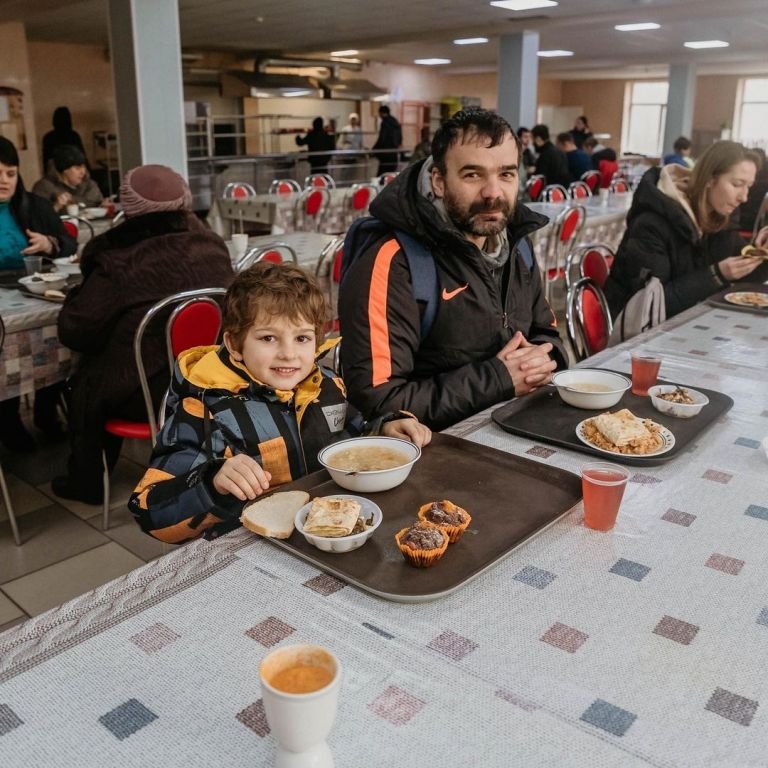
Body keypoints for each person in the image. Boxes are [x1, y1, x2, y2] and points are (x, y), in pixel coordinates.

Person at [129, 261, 431, 543]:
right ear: (234, 344)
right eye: (268, 338)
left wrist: (387, 426)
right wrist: (211, 482)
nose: (288, 354)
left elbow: (356, 435)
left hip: (328, 535)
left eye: (301, 338)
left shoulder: (325, 385)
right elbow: (148, 511)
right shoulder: (205, 408)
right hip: (248, 550)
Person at [338, 108, 567, 432]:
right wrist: (499, 379)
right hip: (436, 452)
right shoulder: (394, 261)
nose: (493, 192)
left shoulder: (518, 246)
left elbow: (547, 335)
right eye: (472, 175)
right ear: (439, 181)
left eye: (506, 174)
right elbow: (378, 400)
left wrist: (544, 359)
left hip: (516, 428)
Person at [52, 164, 234, 504]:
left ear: (128, 208)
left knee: (88, 380)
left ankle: (87, 479)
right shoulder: (212, 246)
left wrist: (77, 294)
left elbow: (76, 330)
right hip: (211, 379)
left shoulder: (117, 259)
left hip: (150, 395)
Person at [604, 141, 768, 321]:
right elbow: (650, 305)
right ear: (709, 180)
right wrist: (716, 275)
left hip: (690, 322)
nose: (744, 197)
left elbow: (745, 277)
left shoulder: (719, 217)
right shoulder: (652, 223)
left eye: (748, 187)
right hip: (634, 333)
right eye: (737, 184)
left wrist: (761, 254)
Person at [0, 136, 77, 452]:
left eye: (10, 173)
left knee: (62, 336)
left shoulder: (33, 205)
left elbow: (69, 244)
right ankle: (9, 421)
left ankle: (46, 410)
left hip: (35, 292)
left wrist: (50, 244)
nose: (4, 181)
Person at [32, 144, 104, 213]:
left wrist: (104, 205)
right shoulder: (44, 187)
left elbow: (97, 201)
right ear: (65, 170)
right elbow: (39, 218)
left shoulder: (88, 184)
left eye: (84, 167)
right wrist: (56, 206)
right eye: (77, 168)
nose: (83, 172)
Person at [41, 106, 86, 173]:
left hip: (54, 172)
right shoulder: (73, 136)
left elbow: (46, 161)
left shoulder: (48, 138)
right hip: (73, 171)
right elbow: (82, 157)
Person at [372, 105, 402, 174]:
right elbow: (400, 137)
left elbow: (382, 138)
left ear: (382, 113)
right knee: (391, 173)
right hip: (394, 152)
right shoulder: (395, 121)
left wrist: (374, 149)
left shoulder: (385, 122)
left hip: (386, 153)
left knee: (382, 173)